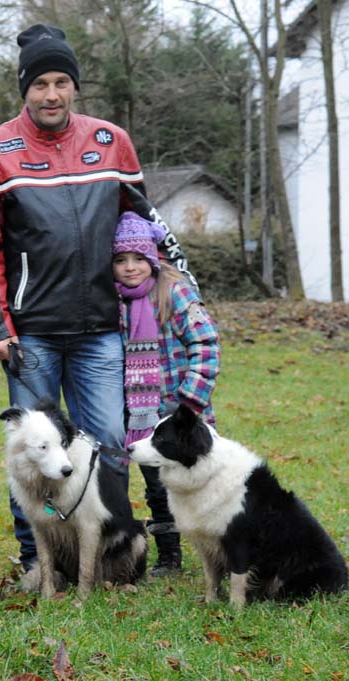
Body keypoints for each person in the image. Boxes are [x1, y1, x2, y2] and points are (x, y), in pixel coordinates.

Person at [0, 24, 191, 572]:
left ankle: (109, 552)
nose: (51, 94)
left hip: (102, 330)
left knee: (109, 441)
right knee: (34, 452)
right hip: (29, 333)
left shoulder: (111, 141)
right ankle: (38, 559)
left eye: (62, 81)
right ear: (25, 90)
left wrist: (181, 282)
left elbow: (145, 224)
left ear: (75, 88)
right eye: (40, 84)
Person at [112, 211, 220, 576]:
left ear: (154, 257)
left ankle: (221, 543)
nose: (130, 268)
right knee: (157, 486)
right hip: (140, 412)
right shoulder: (113, 300)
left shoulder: (174, 290)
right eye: (121, 260)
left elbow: (205, 344)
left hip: (179, 407)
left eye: (139, 258)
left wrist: (189, 404)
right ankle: (169, 554)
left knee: (201, 479)